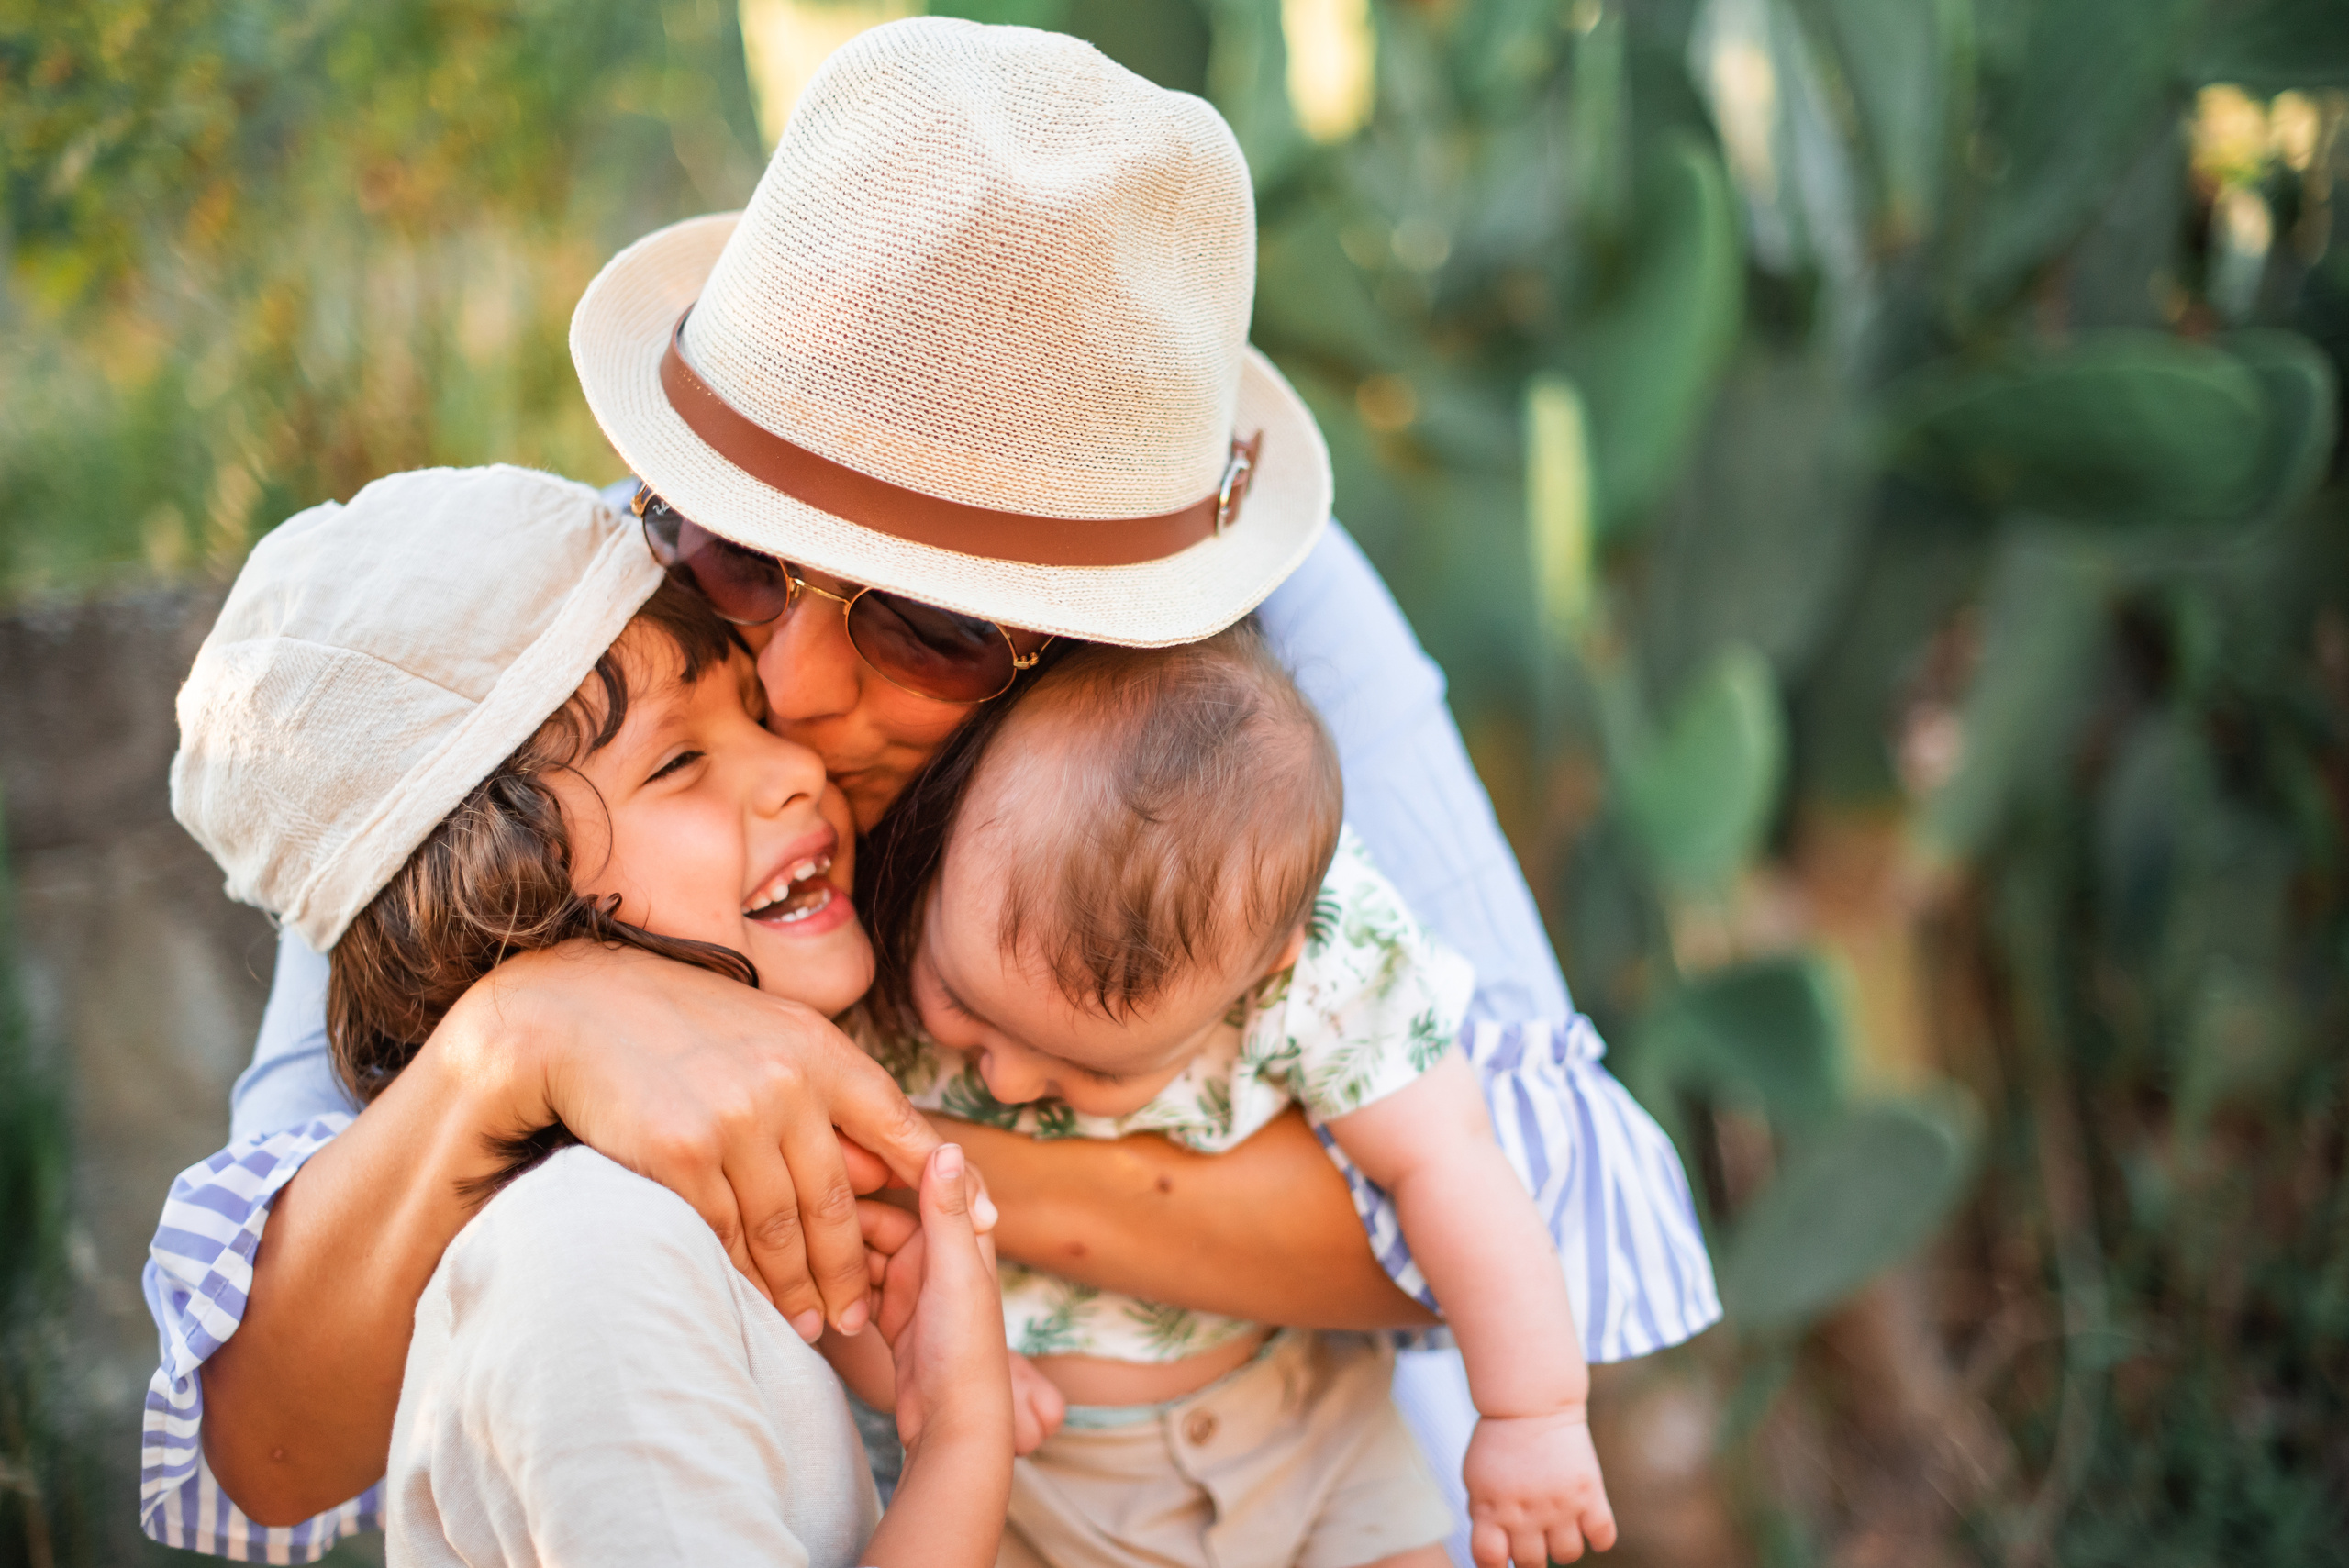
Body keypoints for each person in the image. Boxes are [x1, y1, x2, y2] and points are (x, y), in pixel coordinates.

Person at [140, 19, 1719, 1563]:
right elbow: (265, 1446)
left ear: (1124, 635)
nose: (807, 688)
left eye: (935, 622)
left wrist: (845, 1135)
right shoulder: (533, 667)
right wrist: (526, 1039)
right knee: (577, 1238)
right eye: (743, 554)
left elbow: (1573, 1211)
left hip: (1306, 1496)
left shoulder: (1235, 665)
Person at [169, 462, 1017, 1566]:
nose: (796, 765)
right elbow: (260, 1438)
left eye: (751, 711)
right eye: (679, 762)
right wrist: (960, 1434)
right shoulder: (586, 1263)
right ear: (506, 910)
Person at [835, 625, 1618, 1568]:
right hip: (1047, 1481)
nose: (1001, 1079)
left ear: (1262, 974)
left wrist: (1532, 1410)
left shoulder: (1320, 961)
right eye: (959, 1002)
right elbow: (835, 1250)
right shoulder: (877, 925)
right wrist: (928, 1377)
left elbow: (1450, 1162)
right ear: (950, 820)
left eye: (1095, 1072)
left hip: (1309, 1431)